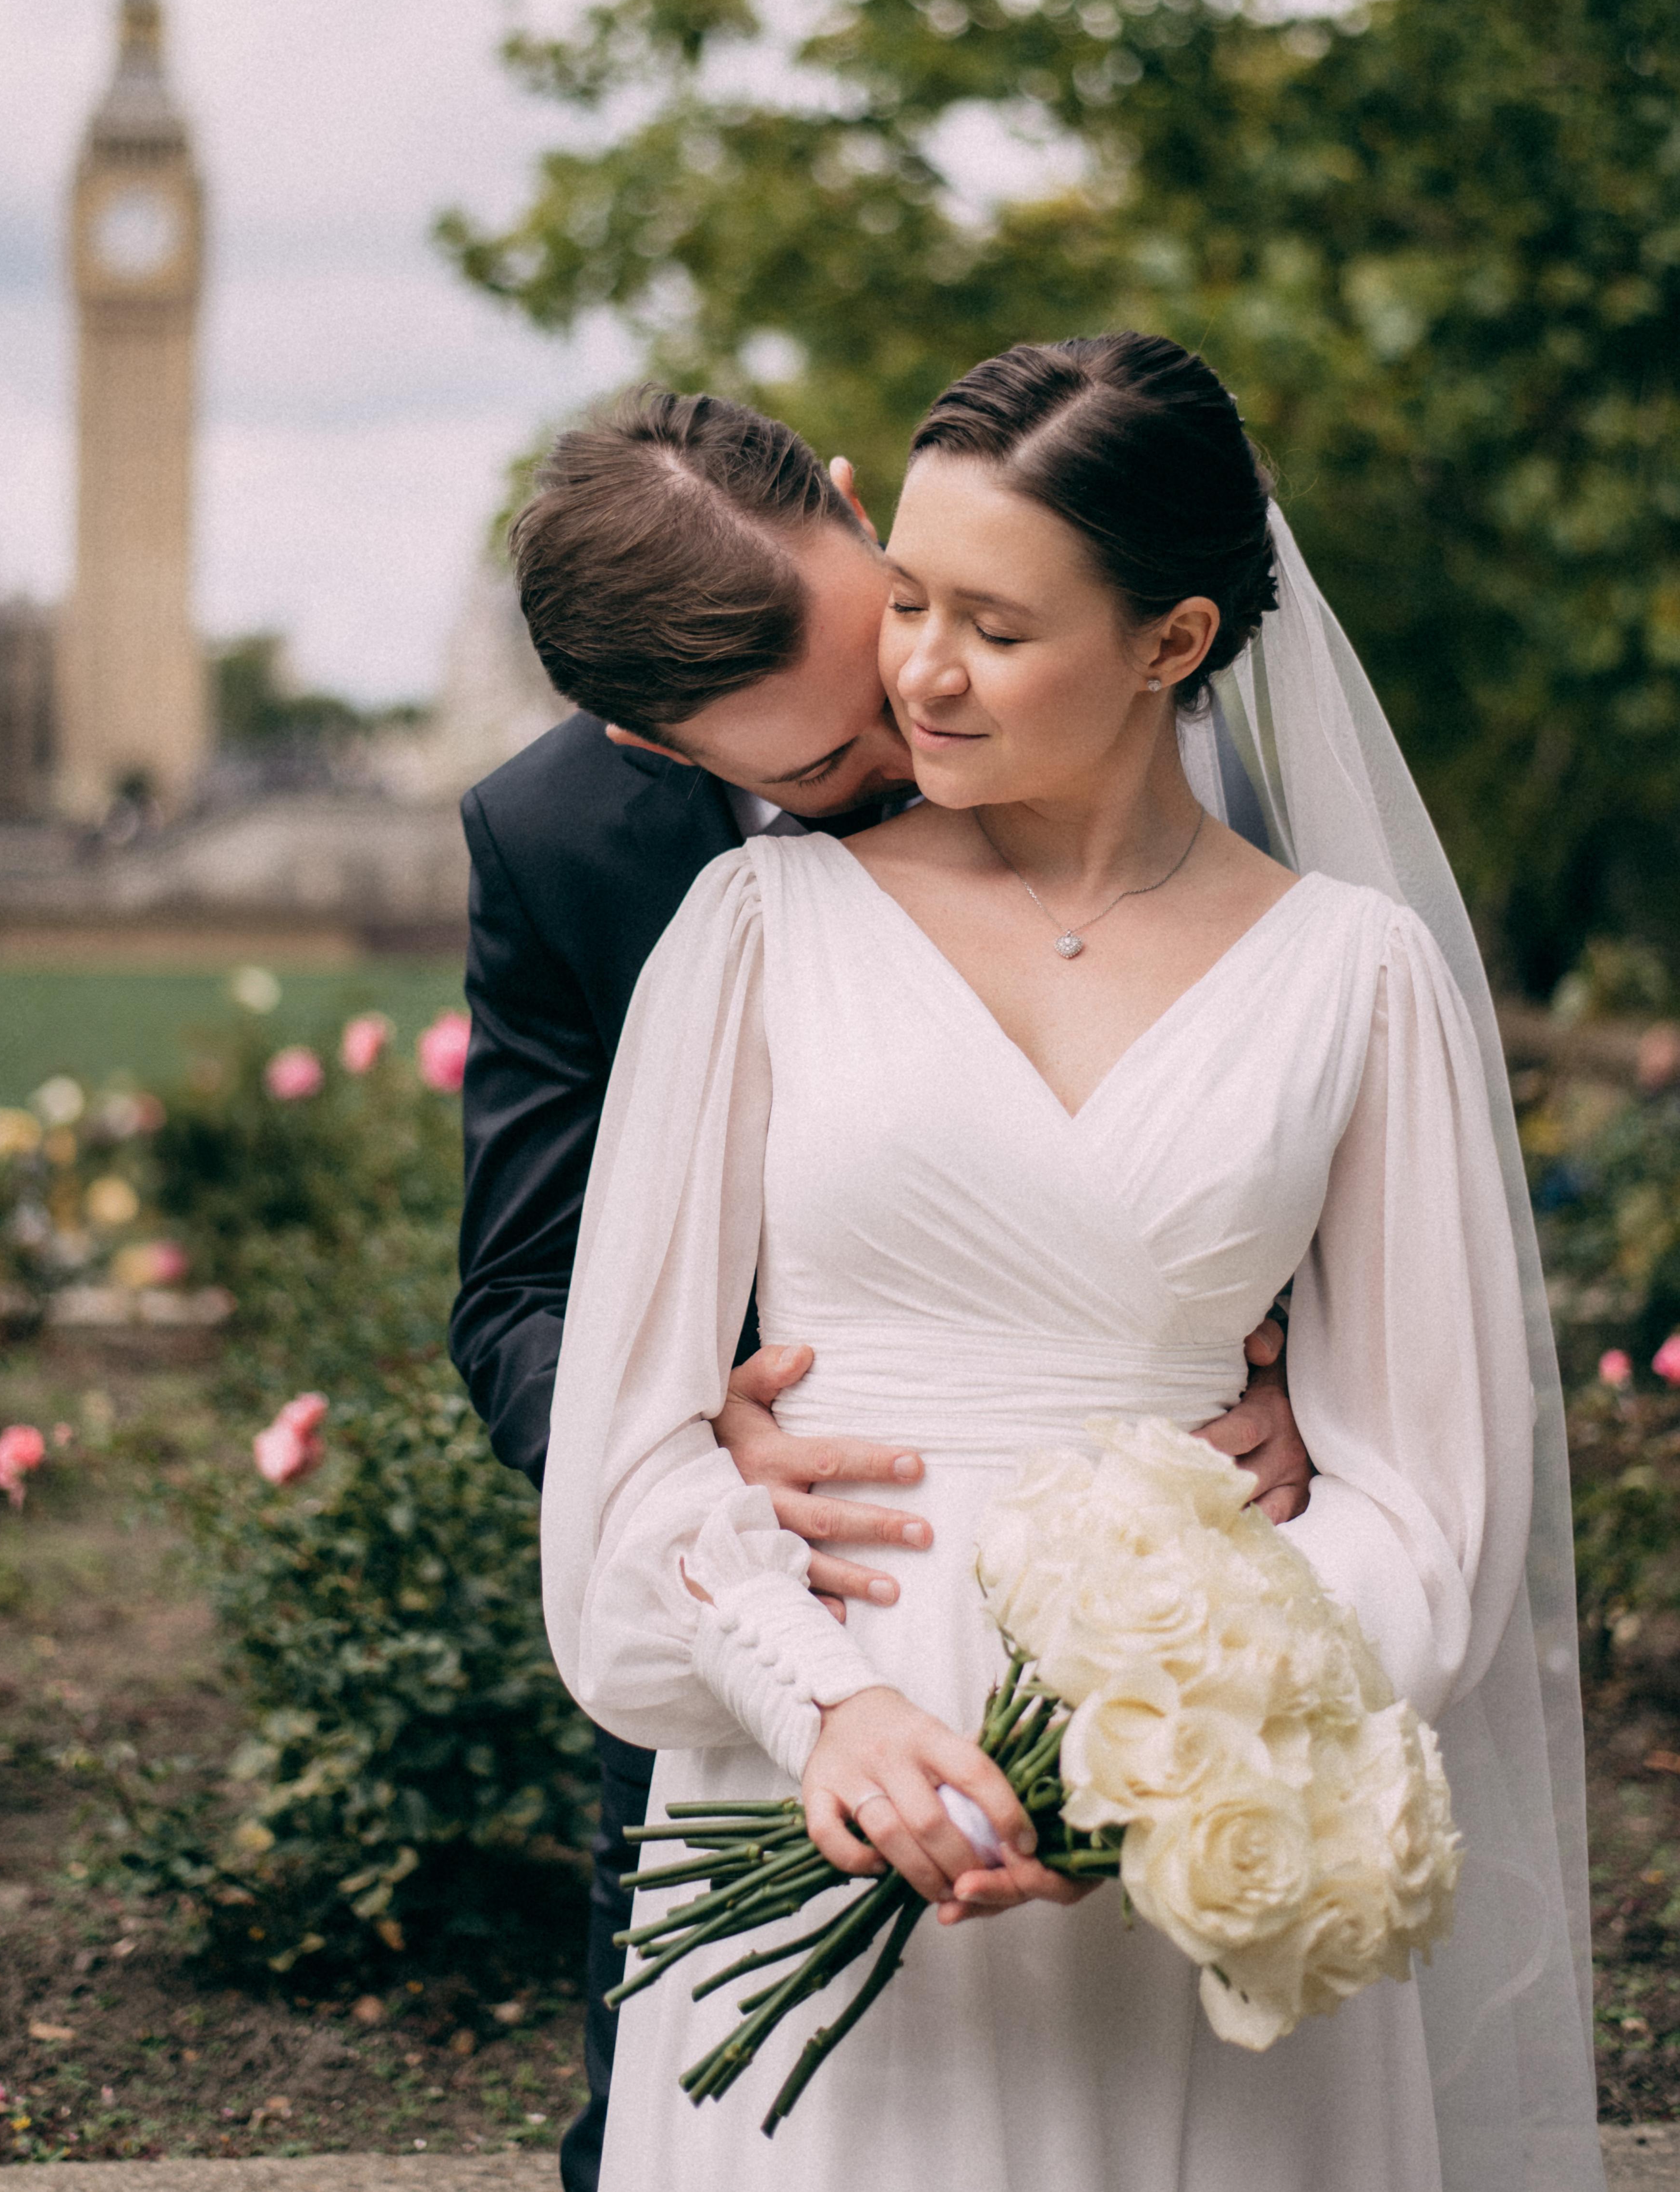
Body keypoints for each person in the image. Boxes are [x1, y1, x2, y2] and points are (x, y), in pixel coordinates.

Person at [540, 337, 1599, 2191]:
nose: (918, 668)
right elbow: (625, 1457)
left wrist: (1180, 1759)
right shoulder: (754, 928)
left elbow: (1429, 1503)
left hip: (1194, 1852)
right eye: (913, 602)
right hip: (833, 1782)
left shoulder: (1357, 976)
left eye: (996, 626)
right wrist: (829, 1704)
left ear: (1173, 642)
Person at [450, 387, 1312, 2192]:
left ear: (857, 514)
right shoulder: (561, 841)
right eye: (833, 768)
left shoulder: (1115, 650)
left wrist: (1309, 1365)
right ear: (651, 742)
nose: (923, 733)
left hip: (1176, 1616)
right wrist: (685, 1424)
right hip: (765, 1624)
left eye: (903, 646)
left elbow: (1284, 1100)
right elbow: (519, 1290)